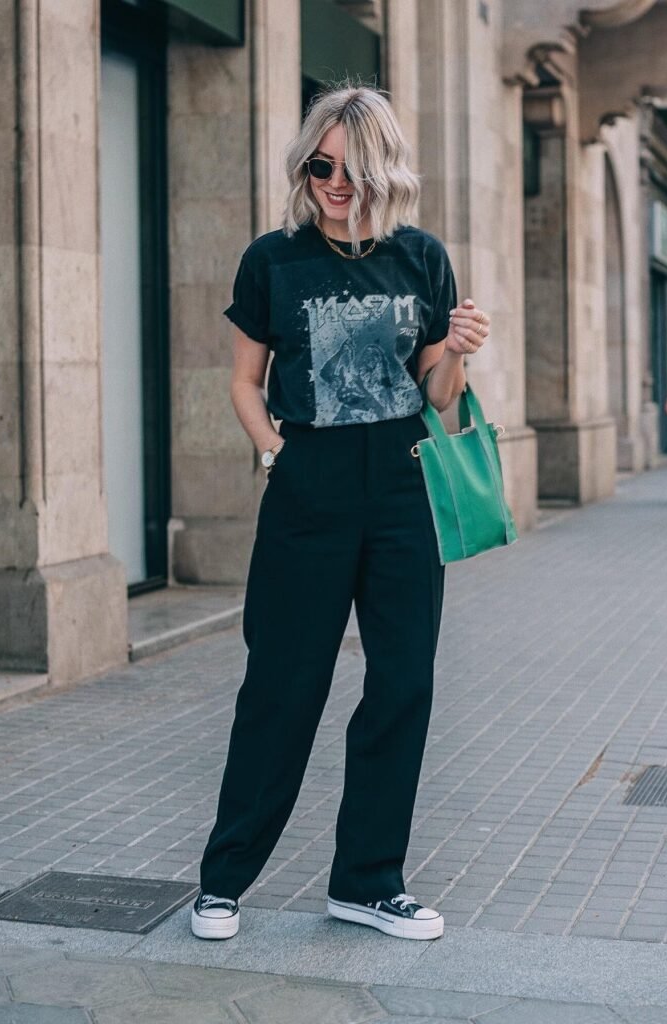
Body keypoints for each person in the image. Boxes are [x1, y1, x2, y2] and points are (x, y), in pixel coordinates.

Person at [191, 84, 490, 943]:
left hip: (403, 487)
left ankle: (367, 881)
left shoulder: (420, 258)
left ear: (380, 168)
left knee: (401, 684)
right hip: (306, 485)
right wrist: (278, 454)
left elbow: (437, 395)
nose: (333, 181)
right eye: (319, 165)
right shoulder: (273, 259)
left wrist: (459, 356)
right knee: (282, 687)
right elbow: (245, 383)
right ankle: (223, 880)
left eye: (349, 168)